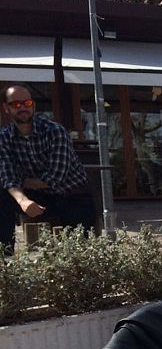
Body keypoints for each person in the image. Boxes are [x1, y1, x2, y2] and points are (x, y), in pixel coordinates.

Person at [0, 84, 96, 255]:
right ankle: (5, 259)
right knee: (2, 197)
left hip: (72, 194)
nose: (22, 107)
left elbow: (55, 178)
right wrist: (23, 200)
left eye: (27, 103)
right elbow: (7, 177)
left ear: (33, 106)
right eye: (15, 104)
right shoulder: (4, 138)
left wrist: (21, 182)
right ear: (6, 108)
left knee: (80, 251)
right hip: (37, 196)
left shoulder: (55, 131)